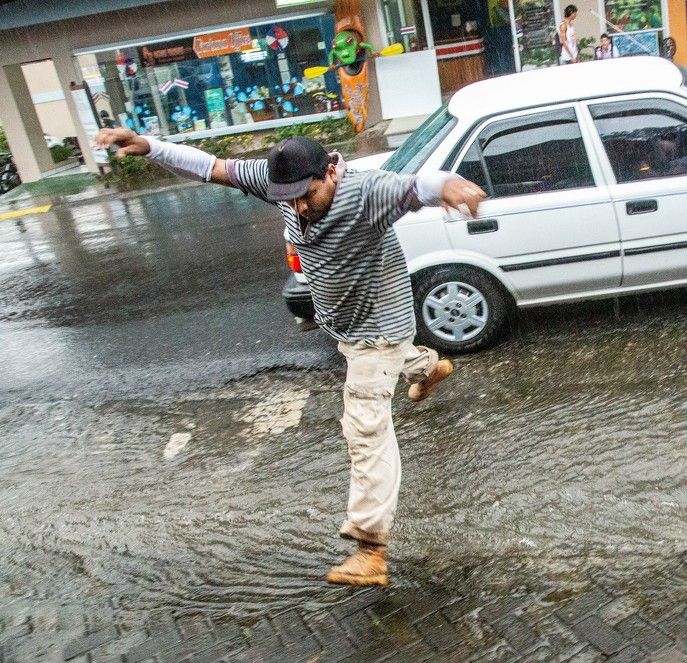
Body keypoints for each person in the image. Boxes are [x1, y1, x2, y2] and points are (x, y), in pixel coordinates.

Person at [93, 128, 486, 587]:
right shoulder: (283, 183)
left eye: (308, 195)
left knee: (365, 426)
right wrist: (152, 147)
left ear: (331, 172)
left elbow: (415, 186)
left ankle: (371, 547)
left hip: (375, 331)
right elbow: (213, 167)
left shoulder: (367, 193)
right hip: (346, 323)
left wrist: (447, 186)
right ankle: (429, 367)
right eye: (290, 199)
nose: (299, 207)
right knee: (401, 360)